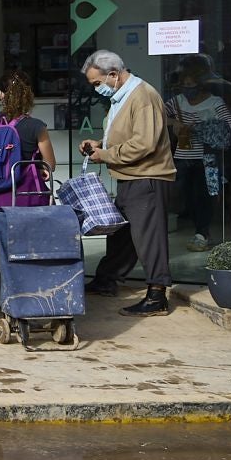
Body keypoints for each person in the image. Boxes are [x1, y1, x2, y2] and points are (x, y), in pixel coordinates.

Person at [80, 49, 176, 316]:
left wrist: (106, 155)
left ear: (113, 74)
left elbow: (145, 143)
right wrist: (100, 144)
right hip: (130, 175)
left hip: (148, 176)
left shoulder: (143, 96)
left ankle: (157, 295)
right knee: (123, 234)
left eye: (98, 83)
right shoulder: (122, 97)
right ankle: (107, 279)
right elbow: (129, 135)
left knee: (148, 237)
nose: (97, 89)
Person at [0, 72, 57, 272]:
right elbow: (50, 164)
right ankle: (28, 286)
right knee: (29, 245)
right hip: (25, 193)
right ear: (29, 95)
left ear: (1, 94)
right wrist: (41, 169)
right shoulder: (36, 127)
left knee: (5, 246)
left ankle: (9, 288)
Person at [168, 54, 231, 252]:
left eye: (191, 84)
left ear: (201, 84)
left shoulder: (215, 103)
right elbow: (158, 116)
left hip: (207, 158)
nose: (187, 88)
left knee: (204, 196)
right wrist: (175, 123)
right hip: (183, 157)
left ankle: (202, 233)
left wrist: (202, 127)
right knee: (187, 197)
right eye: (184, 84)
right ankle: (198, 231)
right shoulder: (177, 102)